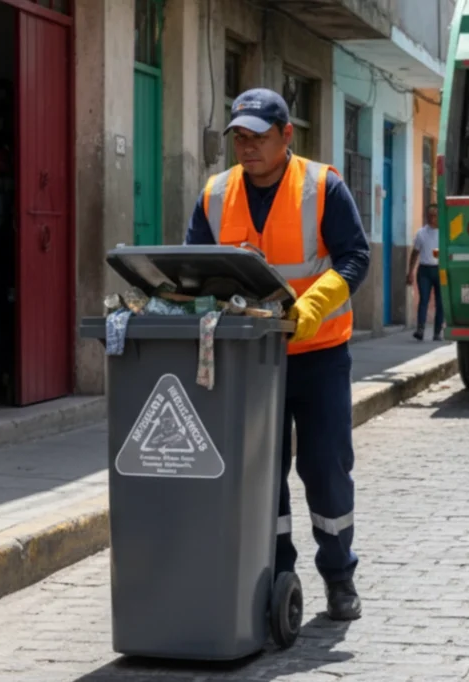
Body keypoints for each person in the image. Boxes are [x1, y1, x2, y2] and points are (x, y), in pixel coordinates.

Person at [184, 88, 370, 621]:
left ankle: (339, 576)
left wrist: (314, 304)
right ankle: (277, 574)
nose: (247, 148)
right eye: (239, 137)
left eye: (258, 137)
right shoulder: (216, 195)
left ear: (286, 136)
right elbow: (196, 270)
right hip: (249, 358)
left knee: (325, 467)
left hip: (318, 353)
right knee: (262, 471)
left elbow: (355, 257)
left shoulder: (322, 186)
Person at [406, 204, 443, 341]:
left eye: (435, 215)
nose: (432, 218)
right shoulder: (421, 233)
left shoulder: (444, 233)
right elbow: (415, 253)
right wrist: (410, 272)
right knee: (424, 300)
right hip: (424, 270)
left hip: (440, 270)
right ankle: (420, 329)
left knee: (441, 302)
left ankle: (437, 332)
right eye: (430, 215)